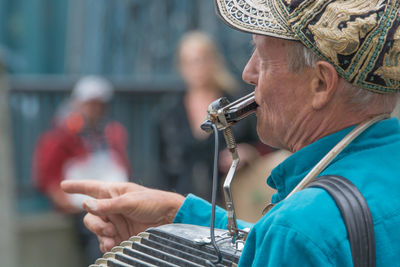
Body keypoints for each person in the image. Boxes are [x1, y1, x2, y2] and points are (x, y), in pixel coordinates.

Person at [62, 0, 400, 266]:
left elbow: (296, 238)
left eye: (263, 57)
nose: (248, 72)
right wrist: (178, 216)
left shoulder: (298, 230)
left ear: (321, 83)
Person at [32, 75, 131, 265]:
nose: (94, 110)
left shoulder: (112, 133)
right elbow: (47, 177)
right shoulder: (60, 135)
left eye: (98, 104)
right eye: (89, 104)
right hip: (79, 209)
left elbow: (123, 167)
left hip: (109, 202)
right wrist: (64, 200)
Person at [158, 31, 268, 200]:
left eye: (200, 60)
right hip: (182, 202)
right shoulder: (169, 112)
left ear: (213, 61)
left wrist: (248, 152)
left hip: (232, 200)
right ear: (181, 66)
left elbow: (267, 146)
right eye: (189, 62)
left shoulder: (235, 104)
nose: (196, 68)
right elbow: (162, 165)